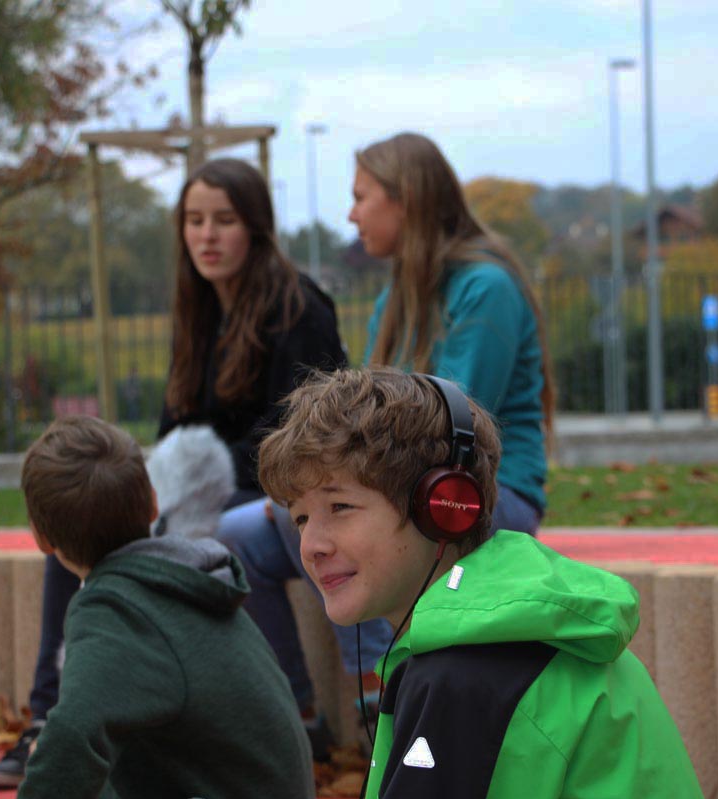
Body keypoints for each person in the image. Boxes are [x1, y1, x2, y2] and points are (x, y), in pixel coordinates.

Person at [154, 368, 718, 799]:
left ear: (444, 507)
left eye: (340, 507)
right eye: (300, 518)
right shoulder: (492, 628)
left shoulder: (469, 674)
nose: (312, 545)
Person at [0, 157, 357, 786]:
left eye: (223, 220)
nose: (206, 235)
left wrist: (187, 485)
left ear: (255, 226)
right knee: (76, 527)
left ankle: (293, 715)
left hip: (267, 488)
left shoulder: (299, 308)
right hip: (199, 488)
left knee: (190, 531)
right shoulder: (197, 307)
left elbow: (301, 439)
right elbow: (175, 425)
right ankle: (52, 716)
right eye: (194, 220)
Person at [219, 131, 554, 727]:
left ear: (406, 199)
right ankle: (292, 716)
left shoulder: (486, 288)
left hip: (480, 491)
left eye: (360, 197)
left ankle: (382, 683)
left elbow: (455, 427)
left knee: (315, 517)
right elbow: (369, 418)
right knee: (240, 533)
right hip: (394, 484)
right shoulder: (393, 299)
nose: (351, 215)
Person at [0, 415, 315, 799]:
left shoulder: (118, 610)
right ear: (153, 503)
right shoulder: (187, 577)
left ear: (41, 538)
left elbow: (71, 744)